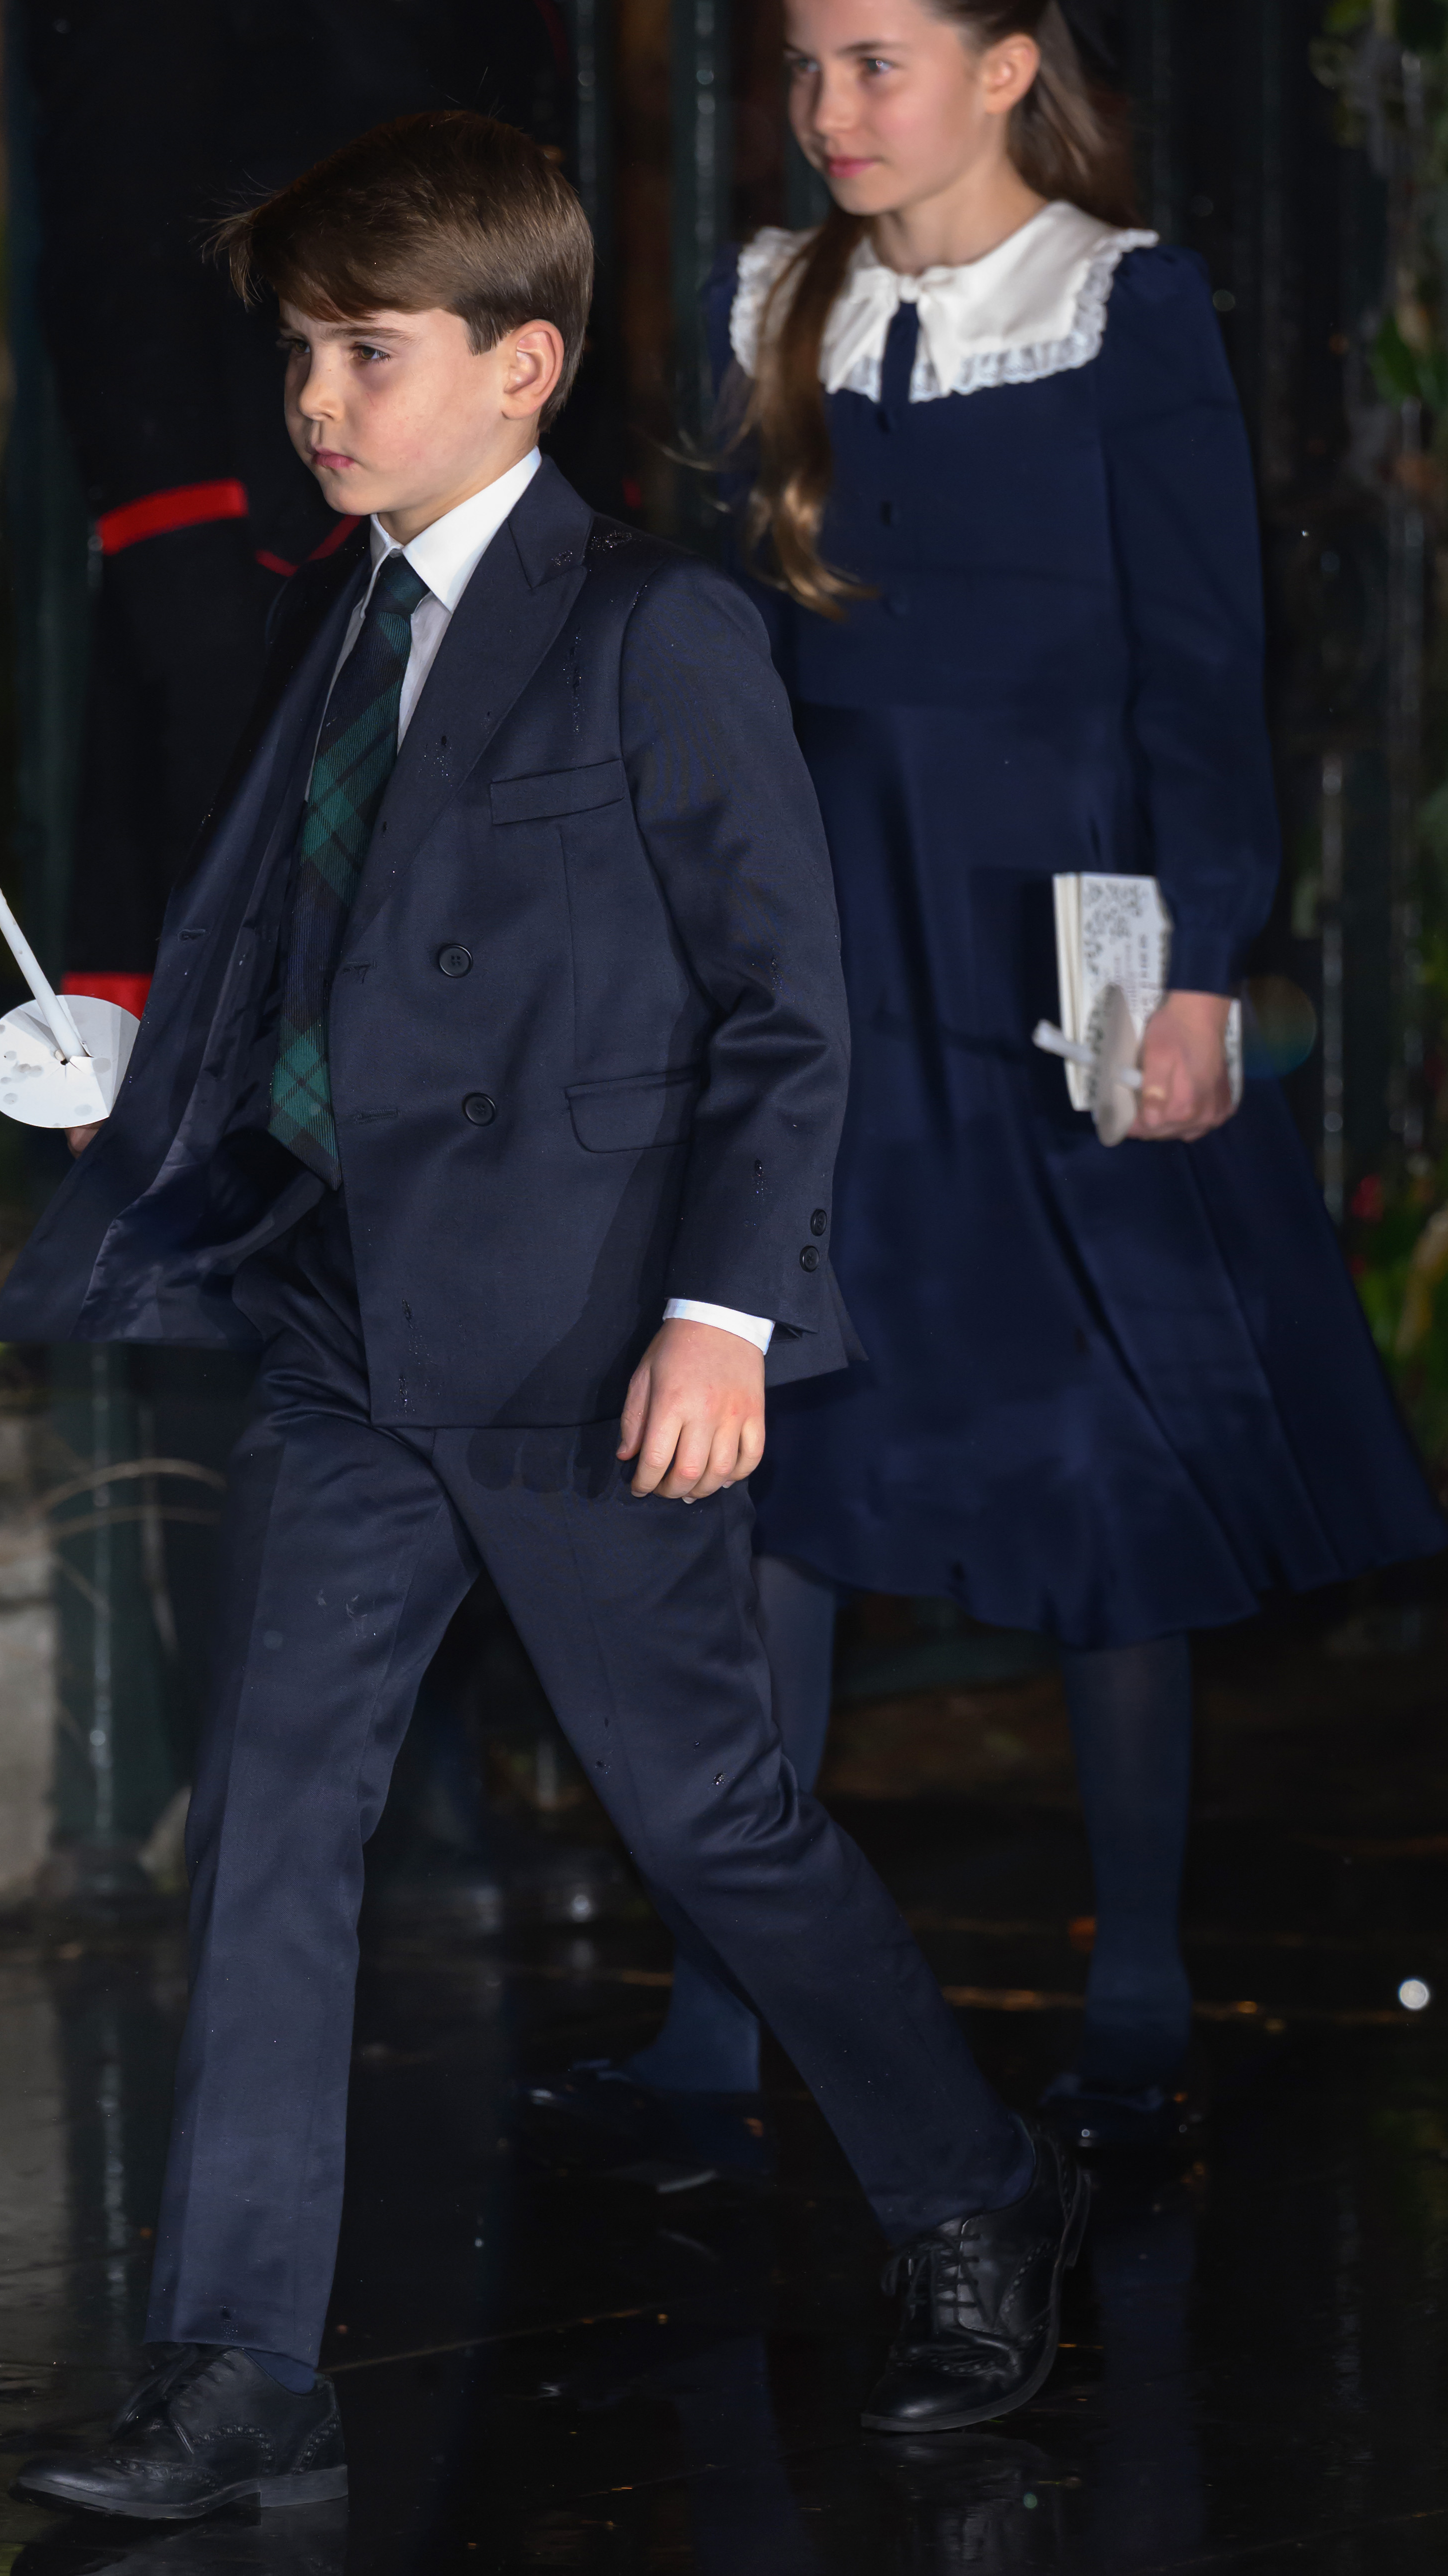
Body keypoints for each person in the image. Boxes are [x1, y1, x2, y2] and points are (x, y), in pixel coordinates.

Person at [0, 111, 1089, 2516]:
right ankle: (238, 2364)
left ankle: (974, 2189)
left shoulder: (653, 629)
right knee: (273, 1827)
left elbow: (785, 1013)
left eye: (364, 354)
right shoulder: (344, 614)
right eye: (297, 354)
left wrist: (717, 1317)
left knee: (710, 1820)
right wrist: (150, 1080)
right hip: (352, 1326)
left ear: (525, 365)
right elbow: (318, 963)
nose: (314, 401)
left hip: (597, 1348)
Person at [542, 0, 1448, 2168]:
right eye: (807, 71)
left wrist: (1203, 957)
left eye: (878, 64)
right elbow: (720, 653)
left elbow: (1202, 654)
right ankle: (722, 2008)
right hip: (821, 951)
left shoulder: (1125, 307)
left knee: (1097, 1452)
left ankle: (1135, 1989)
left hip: (1057, 958)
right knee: (763, 1459)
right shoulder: (780, 300)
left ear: (1012, 66)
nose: (831, 112)